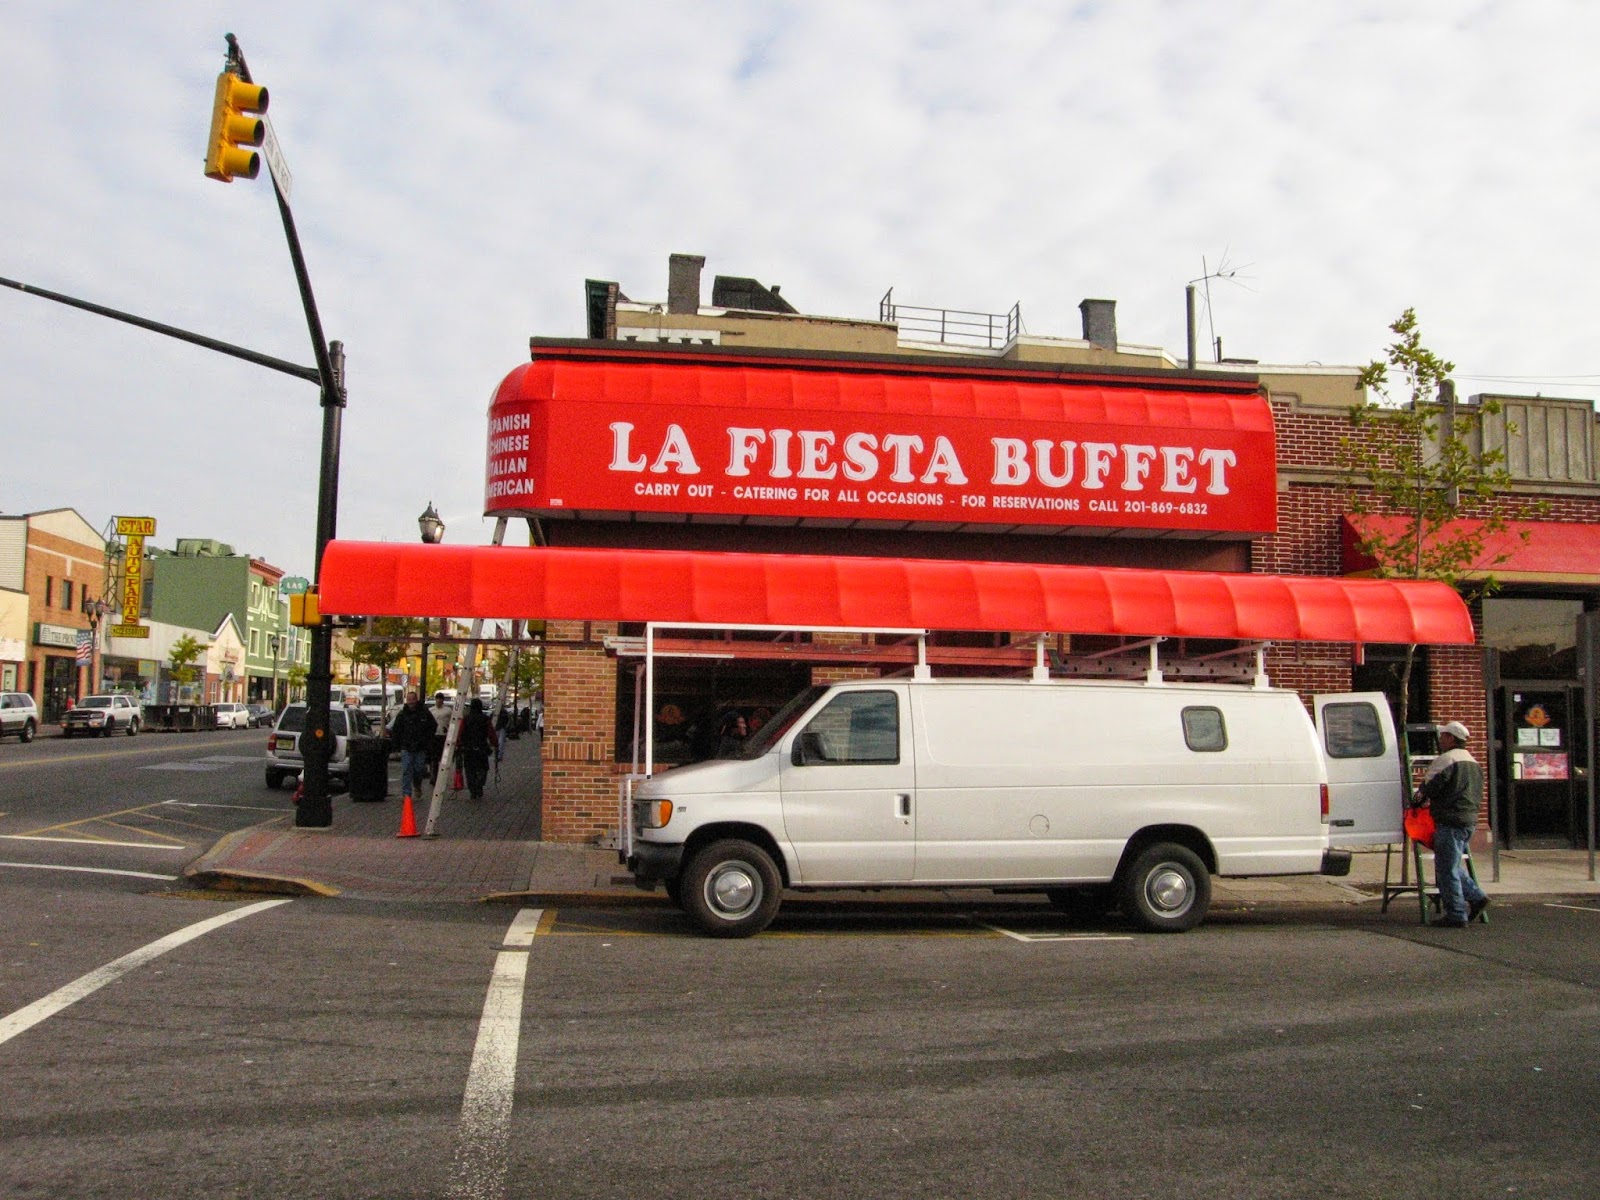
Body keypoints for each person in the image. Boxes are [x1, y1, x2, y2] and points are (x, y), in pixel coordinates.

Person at [1416, 720, 1490, 928]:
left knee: (1446, 869)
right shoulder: (1473, 762)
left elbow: (1429, 788)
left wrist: (1416, 803)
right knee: (1453, 864)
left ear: (1451, 738)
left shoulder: (1445, 760)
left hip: (1449, 820)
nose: (1440, 740)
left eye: (1443, 736)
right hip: (1469, 820)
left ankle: (1456, 915)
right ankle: (1476, 897)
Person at [388, 690, 435, 801]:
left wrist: (427, 740)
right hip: (406, 747)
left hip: (420, 747)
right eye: (409, 700)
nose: (411, 702)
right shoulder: (402, 714)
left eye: (413, 700)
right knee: (406, 770)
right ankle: (406, 794)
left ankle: (417, 786)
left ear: (416, 700)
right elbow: (396, 730)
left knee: (418, 770)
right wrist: (396, 746)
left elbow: (432, 726)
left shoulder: (424, 713)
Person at [457, 696, 496, 800]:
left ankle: (472, 789)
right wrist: (495, 743)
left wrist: (459, 744)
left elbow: (460, 733)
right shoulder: (485, 719)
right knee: (483, 768)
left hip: (468, 748)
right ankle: (479, 784)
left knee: (470, 770)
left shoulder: (466, 719)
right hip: (481, 747)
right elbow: (491, 732)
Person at [429, 692, 451, 779]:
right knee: (434, 757)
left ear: (443, 700)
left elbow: (451, 723)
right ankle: (434, 776)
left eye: (440, 699)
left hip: (443, 736)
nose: (438, 701)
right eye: (437, 699)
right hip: (434, 735)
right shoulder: (431, 711)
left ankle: (442, 775)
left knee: (443, 757)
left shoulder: (448, 711)